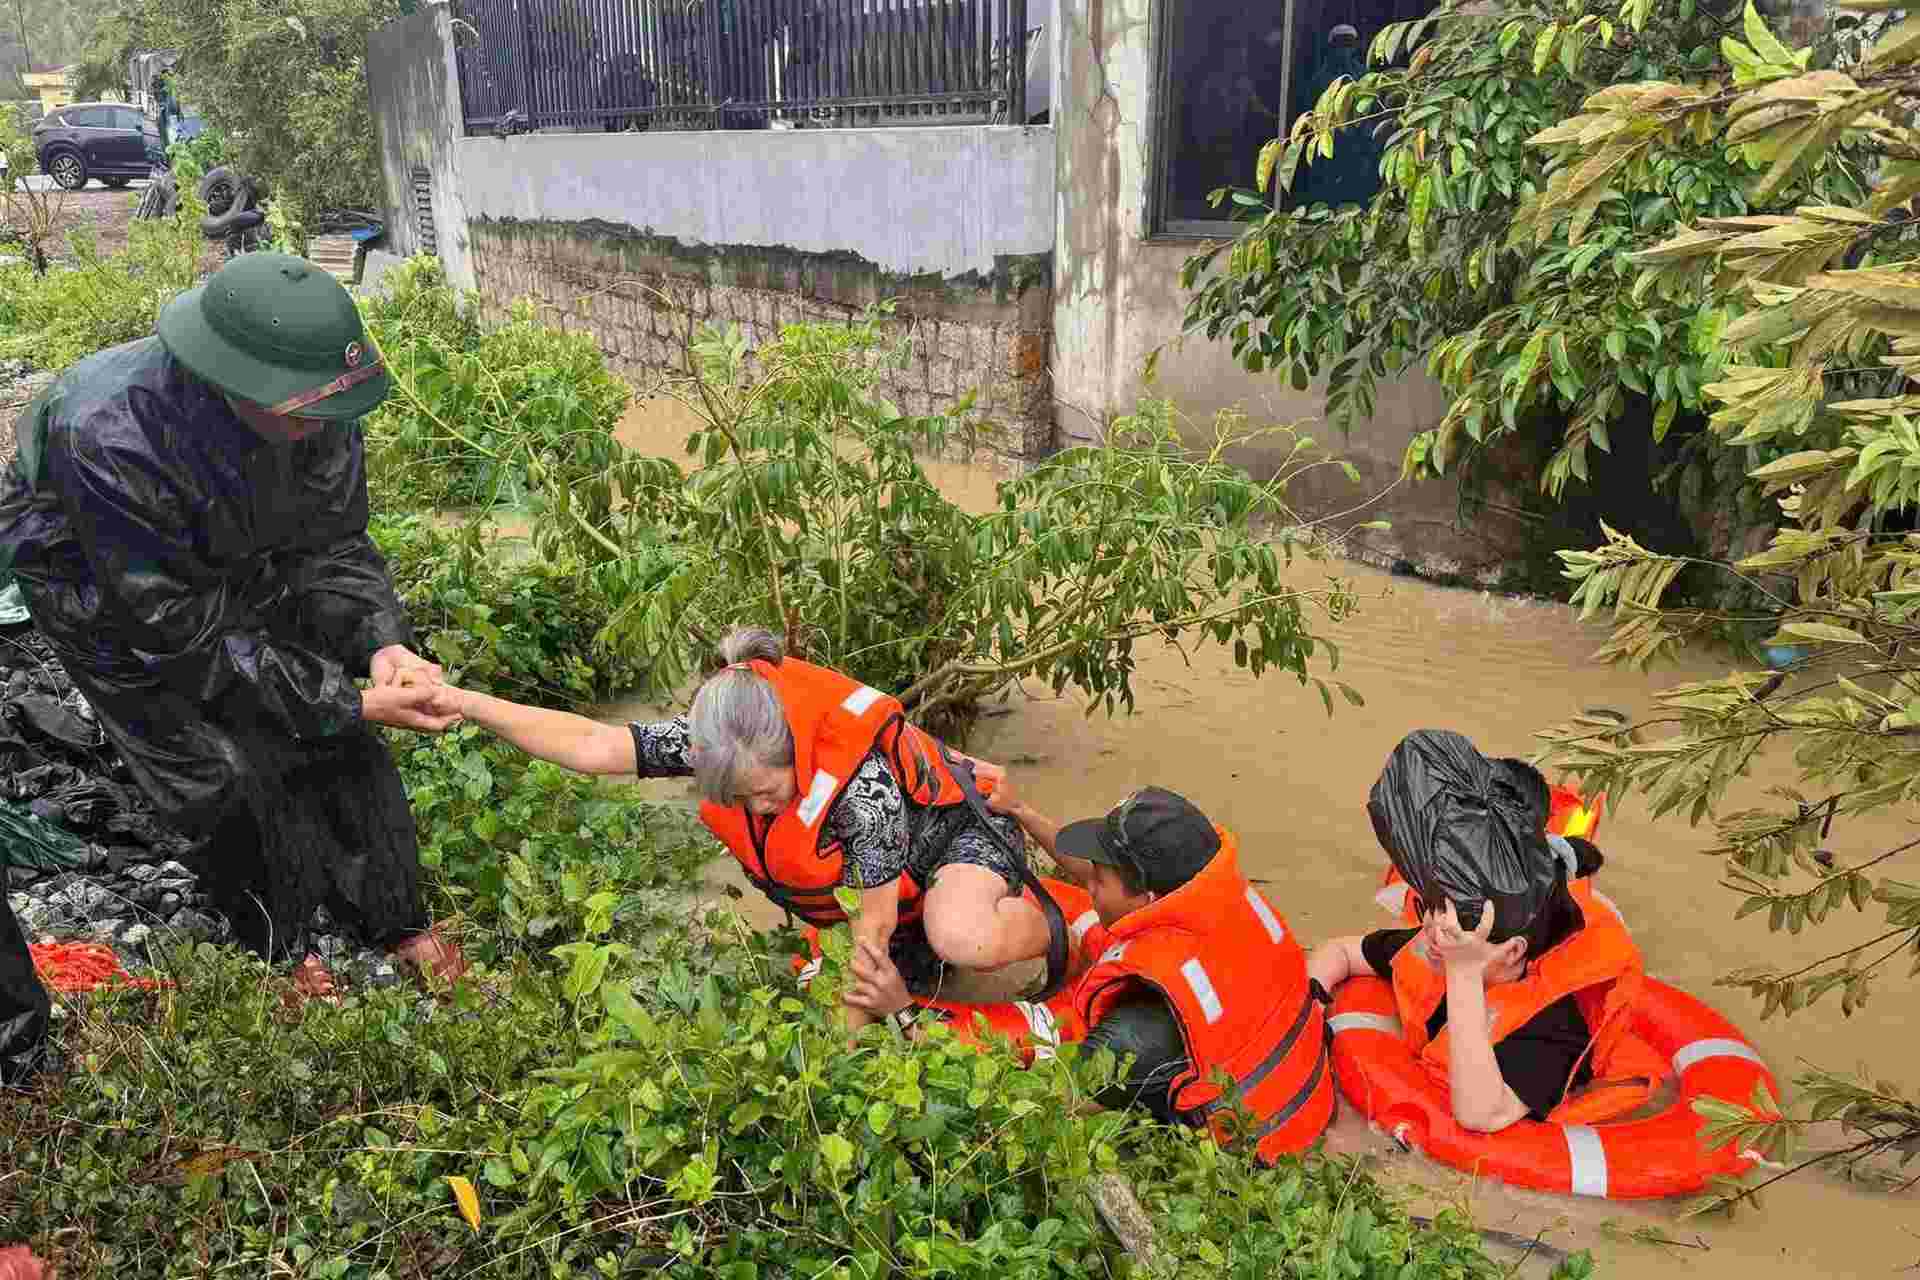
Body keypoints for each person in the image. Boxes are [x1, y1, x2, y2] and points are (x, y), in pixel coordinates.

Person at [0, 252, 463, 1004]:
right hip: (90, 569)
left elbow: (333, 543)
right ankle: (278, 938)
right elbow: (177, 629)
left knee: (334, 733)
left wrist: (382, 645)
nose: (320, 426)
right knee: (208, 762)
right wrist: (341, 698)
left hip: (225, 527)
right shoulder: (108, 433)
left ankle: (393, 914)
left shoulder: (316, 405)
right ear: (232, 383)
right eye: (303, 411)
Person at [421, 627, 1062, 1024]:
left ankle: (1057, 912)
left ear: (797, 753)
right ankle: (929, 943)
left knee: (961, 941)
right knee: (872, 981)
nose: (757, 810)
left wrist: (836, 1059)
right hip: (892, 889)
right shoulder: (717, 741)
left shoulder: (861, 790)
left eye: (767, 792)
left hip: (958, 839)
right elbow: (593, 744)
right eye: (740, 796)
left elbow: (871, 927)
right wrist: (466, 703)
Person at [843, 784, 1336, 1161]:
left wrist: (903, 1011)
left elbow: (1029, 1098)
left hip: (1253, 1142)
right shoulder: (1211, 894)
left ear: (1146, 899)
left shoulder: (1142, 1030)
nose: (1089, 882)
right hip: (1276, 1050)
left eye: (1100, 876)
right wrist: (1020, 812)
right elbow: (1104, 888)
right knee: (1085, 914)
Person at [1309, 731, 1653, 1133]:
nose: (1434, 935)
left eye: (1450, 930)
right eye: (1431, 914)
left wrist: (1464, 972)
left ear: (1511, 952)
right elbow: (1343, 952)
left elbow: (1481, 1115)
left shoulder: (1553, 1028)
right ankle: (1560, 849)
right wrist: (1313, 998)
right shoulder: (1446, 938)